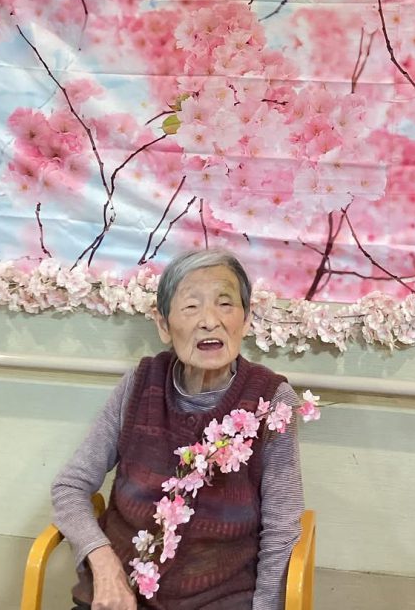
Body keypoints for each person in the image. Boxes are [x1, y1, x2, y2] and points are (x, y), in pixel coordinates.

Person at [51, 249, 304, 610]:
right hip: (120, 597)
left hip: (220, 601)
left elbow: (281, 530)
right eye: (191, 306)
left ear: (246, 319)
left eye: (225, 304)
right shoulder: (140, 384)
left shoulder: (272, 402)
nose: (210, 321)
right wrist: (104, 565)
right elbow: (70, 487)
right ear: (163, 325)